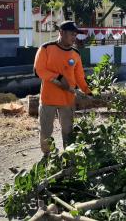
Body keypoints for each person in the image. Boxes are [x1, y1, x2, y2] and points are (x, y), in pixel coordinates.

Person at [34, 21, 92, 156]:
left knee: (68, 130)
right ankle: (47, 155)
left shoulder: (75, 54)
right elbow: (39, 70)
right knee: (45, 131)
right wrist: (59, 78)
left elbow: (80, 77)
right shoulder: (46, 48)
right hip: (48, 99)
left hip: (68, 100)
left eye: (75, 35)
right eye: (72, 34)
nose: (74, 37)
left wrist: (88, 91)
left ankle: (68, 156)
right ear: (61, 32)